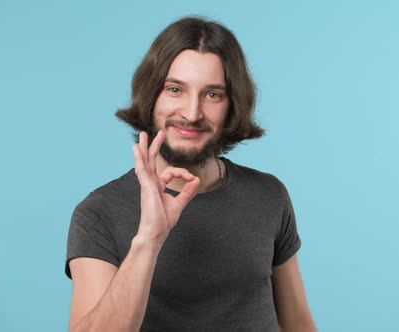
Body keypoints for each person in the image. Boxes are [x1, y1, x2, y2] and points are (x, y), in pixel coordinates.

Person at [65, 16, 317, 331]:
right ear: (151, 96)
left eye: (213, 95)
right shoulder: (99, 213)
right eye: (175, 89)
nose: (192, 112)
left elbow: (298, 324)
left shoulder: (269, 195)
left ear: (231, 106)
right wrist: (149, 238)